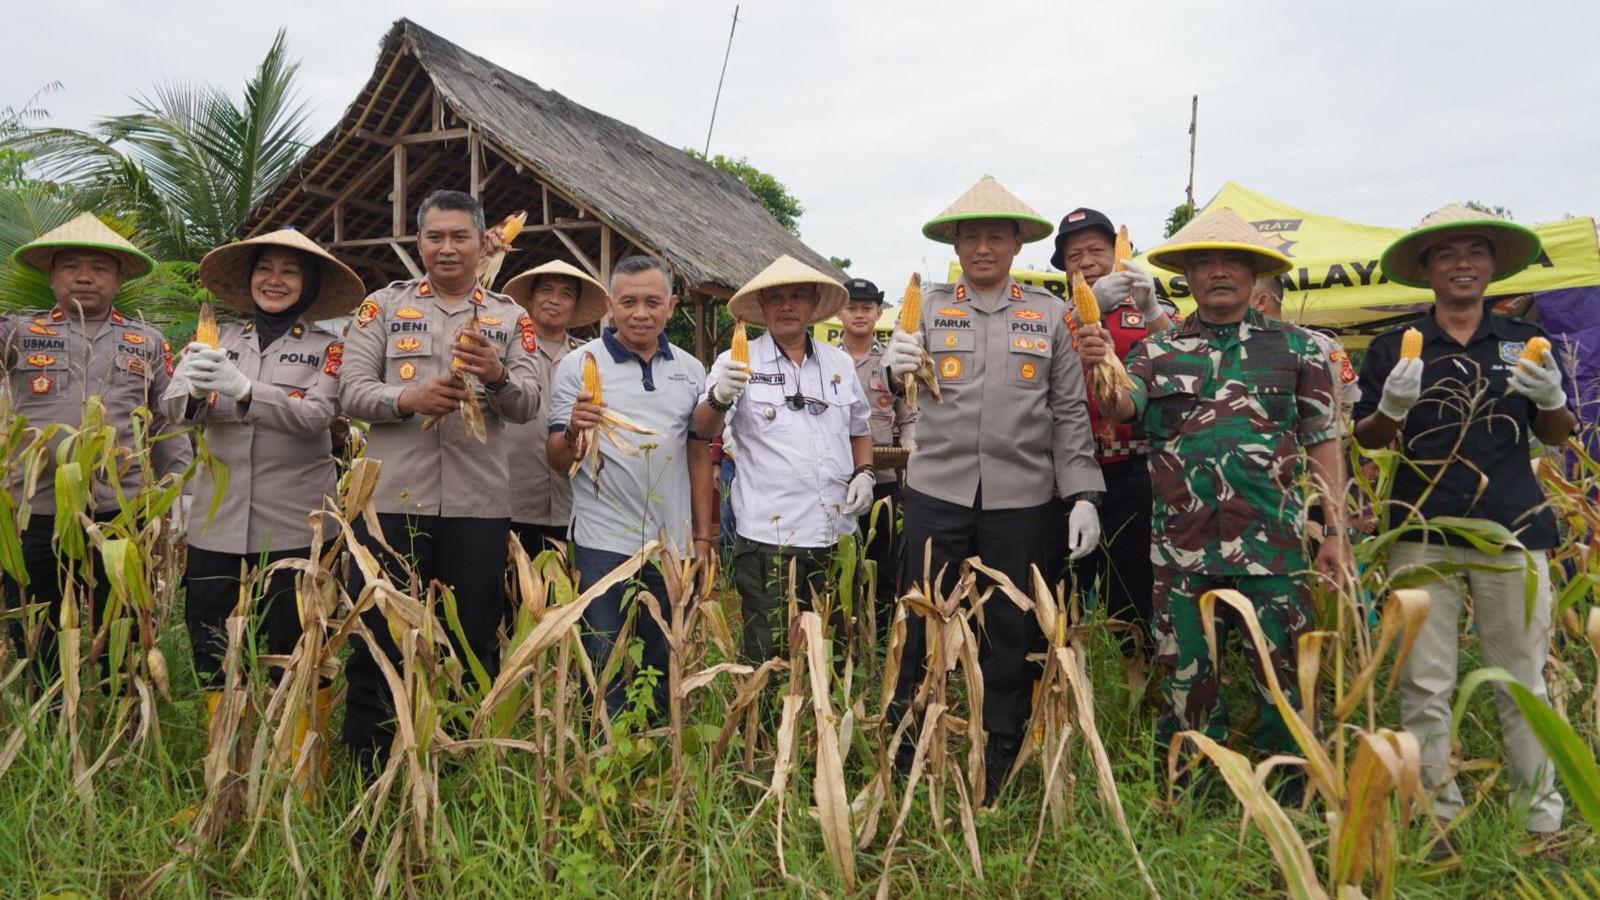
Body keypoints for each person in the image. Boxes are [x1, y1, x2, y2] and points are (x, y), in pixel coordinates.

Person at [1084, 208, 1348, 803]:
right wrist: (1100, 356)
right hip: (1182, 550)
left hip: (1274, 548)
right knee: (1188, 682)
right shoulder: (1156, 350)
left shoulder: (1300, 349)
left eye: (1233, 262)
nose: (1219, 273)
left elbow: (1324, 442)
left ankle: (1294, 792)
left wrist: (1335, 532)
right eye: (1204, 263)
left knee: (1284, 678)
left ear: (1257, 275)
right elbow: (1123, 408)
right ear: (1187, 277)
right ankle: (1197, 790)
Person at [1354, 204, 1571, 849]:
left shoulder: (1519, 339)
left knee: (1521, 680)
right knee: (1424, 681)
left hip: (1513, 530)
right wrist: (1392, 407)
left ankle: (1540, 819)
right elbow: (1368, 439)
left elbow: (1557, 435)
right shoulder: (1393, 346)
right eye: (1446, 255)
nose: (1461, 265)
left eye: (1474, 252)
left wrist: (1553, 400)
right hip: (1420, 531)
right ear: (1426, 270)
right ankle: (1435, 816)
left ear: (1492, 265)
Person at [886, 176, 1104, 805]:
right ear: (955, 243)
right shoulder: (926, 308)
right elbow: (893, 382)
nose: (982, 247)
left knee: (1011, 631)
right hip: (937, 493)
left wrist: (1083, 492)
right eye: (970, 236)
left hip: (1023, 499)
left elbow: (1068, 412)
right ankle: (907, 749)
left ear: (1016, 244)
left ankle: (999, 758)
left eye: (995, 236)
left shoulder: (1050, 314)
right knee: (922, 622)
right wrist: (892, 364)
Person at [337, 189, 541, 770]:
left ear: (483, 243)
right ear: (419, 242)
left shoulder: (510, 317)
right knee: (377, 638)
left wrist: (498, 376)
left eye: (460, 237)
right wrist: (408, 397)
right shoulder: (382, 306)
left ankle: (456, 765)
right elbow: (350, 391)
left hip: (477, 508)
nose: (447, 248)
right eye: (435, 237)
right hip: (391, 505)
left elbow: (527, 405)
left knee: (472, 639)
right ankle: (369, 769)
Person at [164, 227, 362, 774]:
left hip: (298, 524)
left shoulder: (331, 348)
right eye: (264, 268)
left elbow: (317, 416)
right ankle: (225, 768)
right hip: (216, 522)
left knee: (295, 644)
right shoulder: (219, 338)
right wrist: (188, 385)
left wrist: (245, 388)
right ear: (249, 278)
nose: (274, 280)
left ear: (309, 283)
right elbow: (174, 412)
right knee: (211, 644)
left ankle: (301, 771)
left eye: (289, 271)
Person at [1, 213, 191, 678]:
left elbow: (168, 416)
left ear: (120, 277)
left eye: (99, 267)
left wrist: (179, 487)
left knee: (123, 619)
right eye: (70, 266)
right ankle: (42, 713)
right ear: (50, 274)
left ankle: (121, 712)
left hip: (121, 507)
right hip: (34, 505)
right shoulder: (16, 333)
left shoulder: (146, 339)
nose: (84, 277)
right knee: (33, 620)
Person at [546, 255, 711, 719]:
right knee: (604, 655)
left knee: (662, 655)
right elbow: (558, 459)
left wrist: (701, 536)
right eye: (629, 301)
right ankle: (605, 751)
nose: (641, 313)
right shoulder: (579, 365)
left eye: (653, 302)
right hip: (602, 541)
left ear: (672, 305)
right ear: (609, 305)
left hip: (671, 542)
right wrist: (575, 430)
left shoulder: (691, 370)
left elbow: (698, 453)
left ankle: (658, 750)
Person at [693, 255, 874, 662]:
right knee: (768, 655)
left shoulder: (839, 362)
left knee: (834, 647)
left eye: (796, 296)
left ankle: (820, 724)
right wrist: (718, 396)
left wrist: (864, 471)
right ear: (761, 308)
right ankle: (765, 725)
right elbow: (703, 429)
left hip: (835, 532)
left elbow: (859, 427)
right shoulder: (736, 362)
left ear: (813, 303)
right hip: (769, 539)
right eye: (774, 298)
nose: (786, 305)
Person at [1052, 207, 1169, 661]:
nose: (1086, 261)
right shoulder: (1052, 318)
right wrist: (1087, 307)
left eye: (1096, 250)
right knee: (1066, 588)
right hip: (1066, 473)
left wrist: (1153, 309)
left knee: (1134, 586)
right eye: (1074, 254)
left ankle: (1136, 680)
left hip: (1132, 470)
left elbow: (1181, 357)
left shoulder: (1149, 310)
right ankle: (1066, 682)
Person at [501, 259, 608, 556]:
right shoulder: (504, 352)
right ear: (531, 299)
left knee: (565, 592)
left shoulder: (590, 358)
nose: (554, 299)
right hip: (511, 496)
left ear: (575, 306)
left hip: (571, 502)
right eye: (546, 290)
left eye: (565, 294)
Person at [837, 277, 915, 629]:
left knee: (883, 559)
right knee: (840, 558)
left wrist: (911, 451)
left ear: (879, 313)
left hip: (883, 479)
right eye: (851, 307)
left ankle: (882, 634)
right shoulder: (825, 359)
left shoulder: (891, 362)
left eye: (866, 308)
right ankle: (843, 629)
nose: (859, 314)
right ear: (839, 312)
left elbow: (909, 415)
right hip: (837, 478)